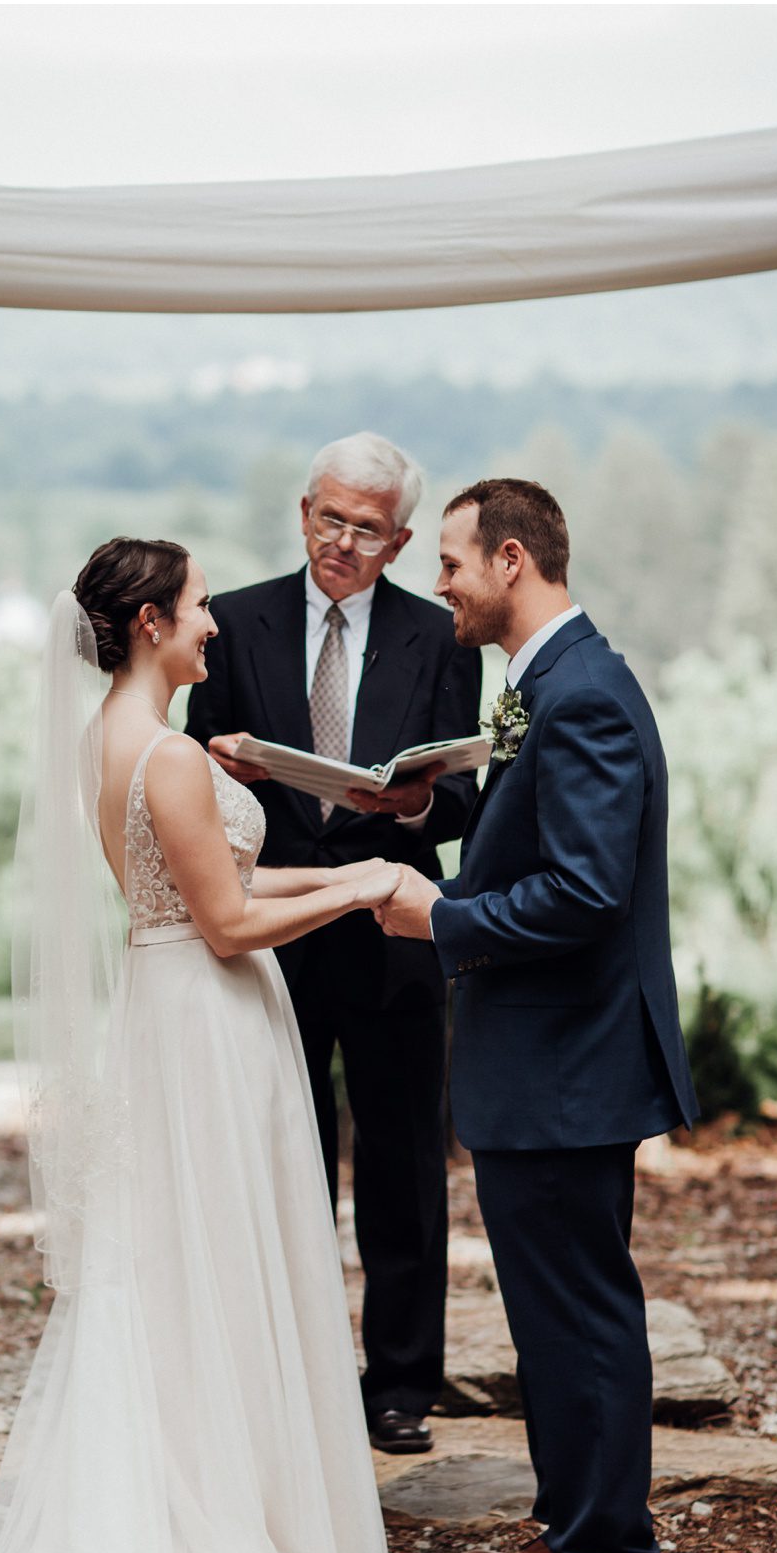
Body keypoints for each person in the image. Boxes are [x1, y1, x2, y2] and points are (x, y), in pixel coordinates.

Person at [0, 538, 405, 1553]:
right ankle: (219, 1534)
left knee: (180, 1266)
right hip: (208, 1024)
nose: (213, 626)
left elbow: (206, 900)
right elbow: (232, 924)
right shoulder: (170, 756)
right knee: (215, 1265)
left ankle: (207, 1499)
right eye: (195, 607)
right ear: (147, 622)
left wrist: (349, 859)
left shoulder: (114, 743)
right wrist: (367, 884)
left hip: (168, 1007)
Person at [378, 478, 699, 1553]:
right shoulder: (546, 685)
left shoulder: (584, 695)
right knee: (553, 1310)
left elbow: (585, 892)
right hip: (546, 1064)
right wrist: (430, 812)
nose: (442, 585)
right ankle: (576, 1526)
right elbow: (540, 842)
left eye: (454, 562)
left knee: (582, 1311)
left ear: (512, 560)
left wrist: (443, 918)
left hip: (571, 1064)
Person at [186, 434, 482, 1455]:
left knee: (403, 1166)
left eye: (369, 529)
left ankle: (401, 1387)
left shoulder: (442, 637)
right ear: (302, 509)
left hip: (392, 931)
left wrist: (415, 806)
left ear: (401, 540)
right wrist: (222, 764)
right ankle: (293, 1373)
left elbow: (465, 802)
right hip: (269, 932)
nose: (344, 542)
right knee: (282, 1160)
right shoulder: (233, 622)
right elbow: (185, 782)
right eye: (331, 519)